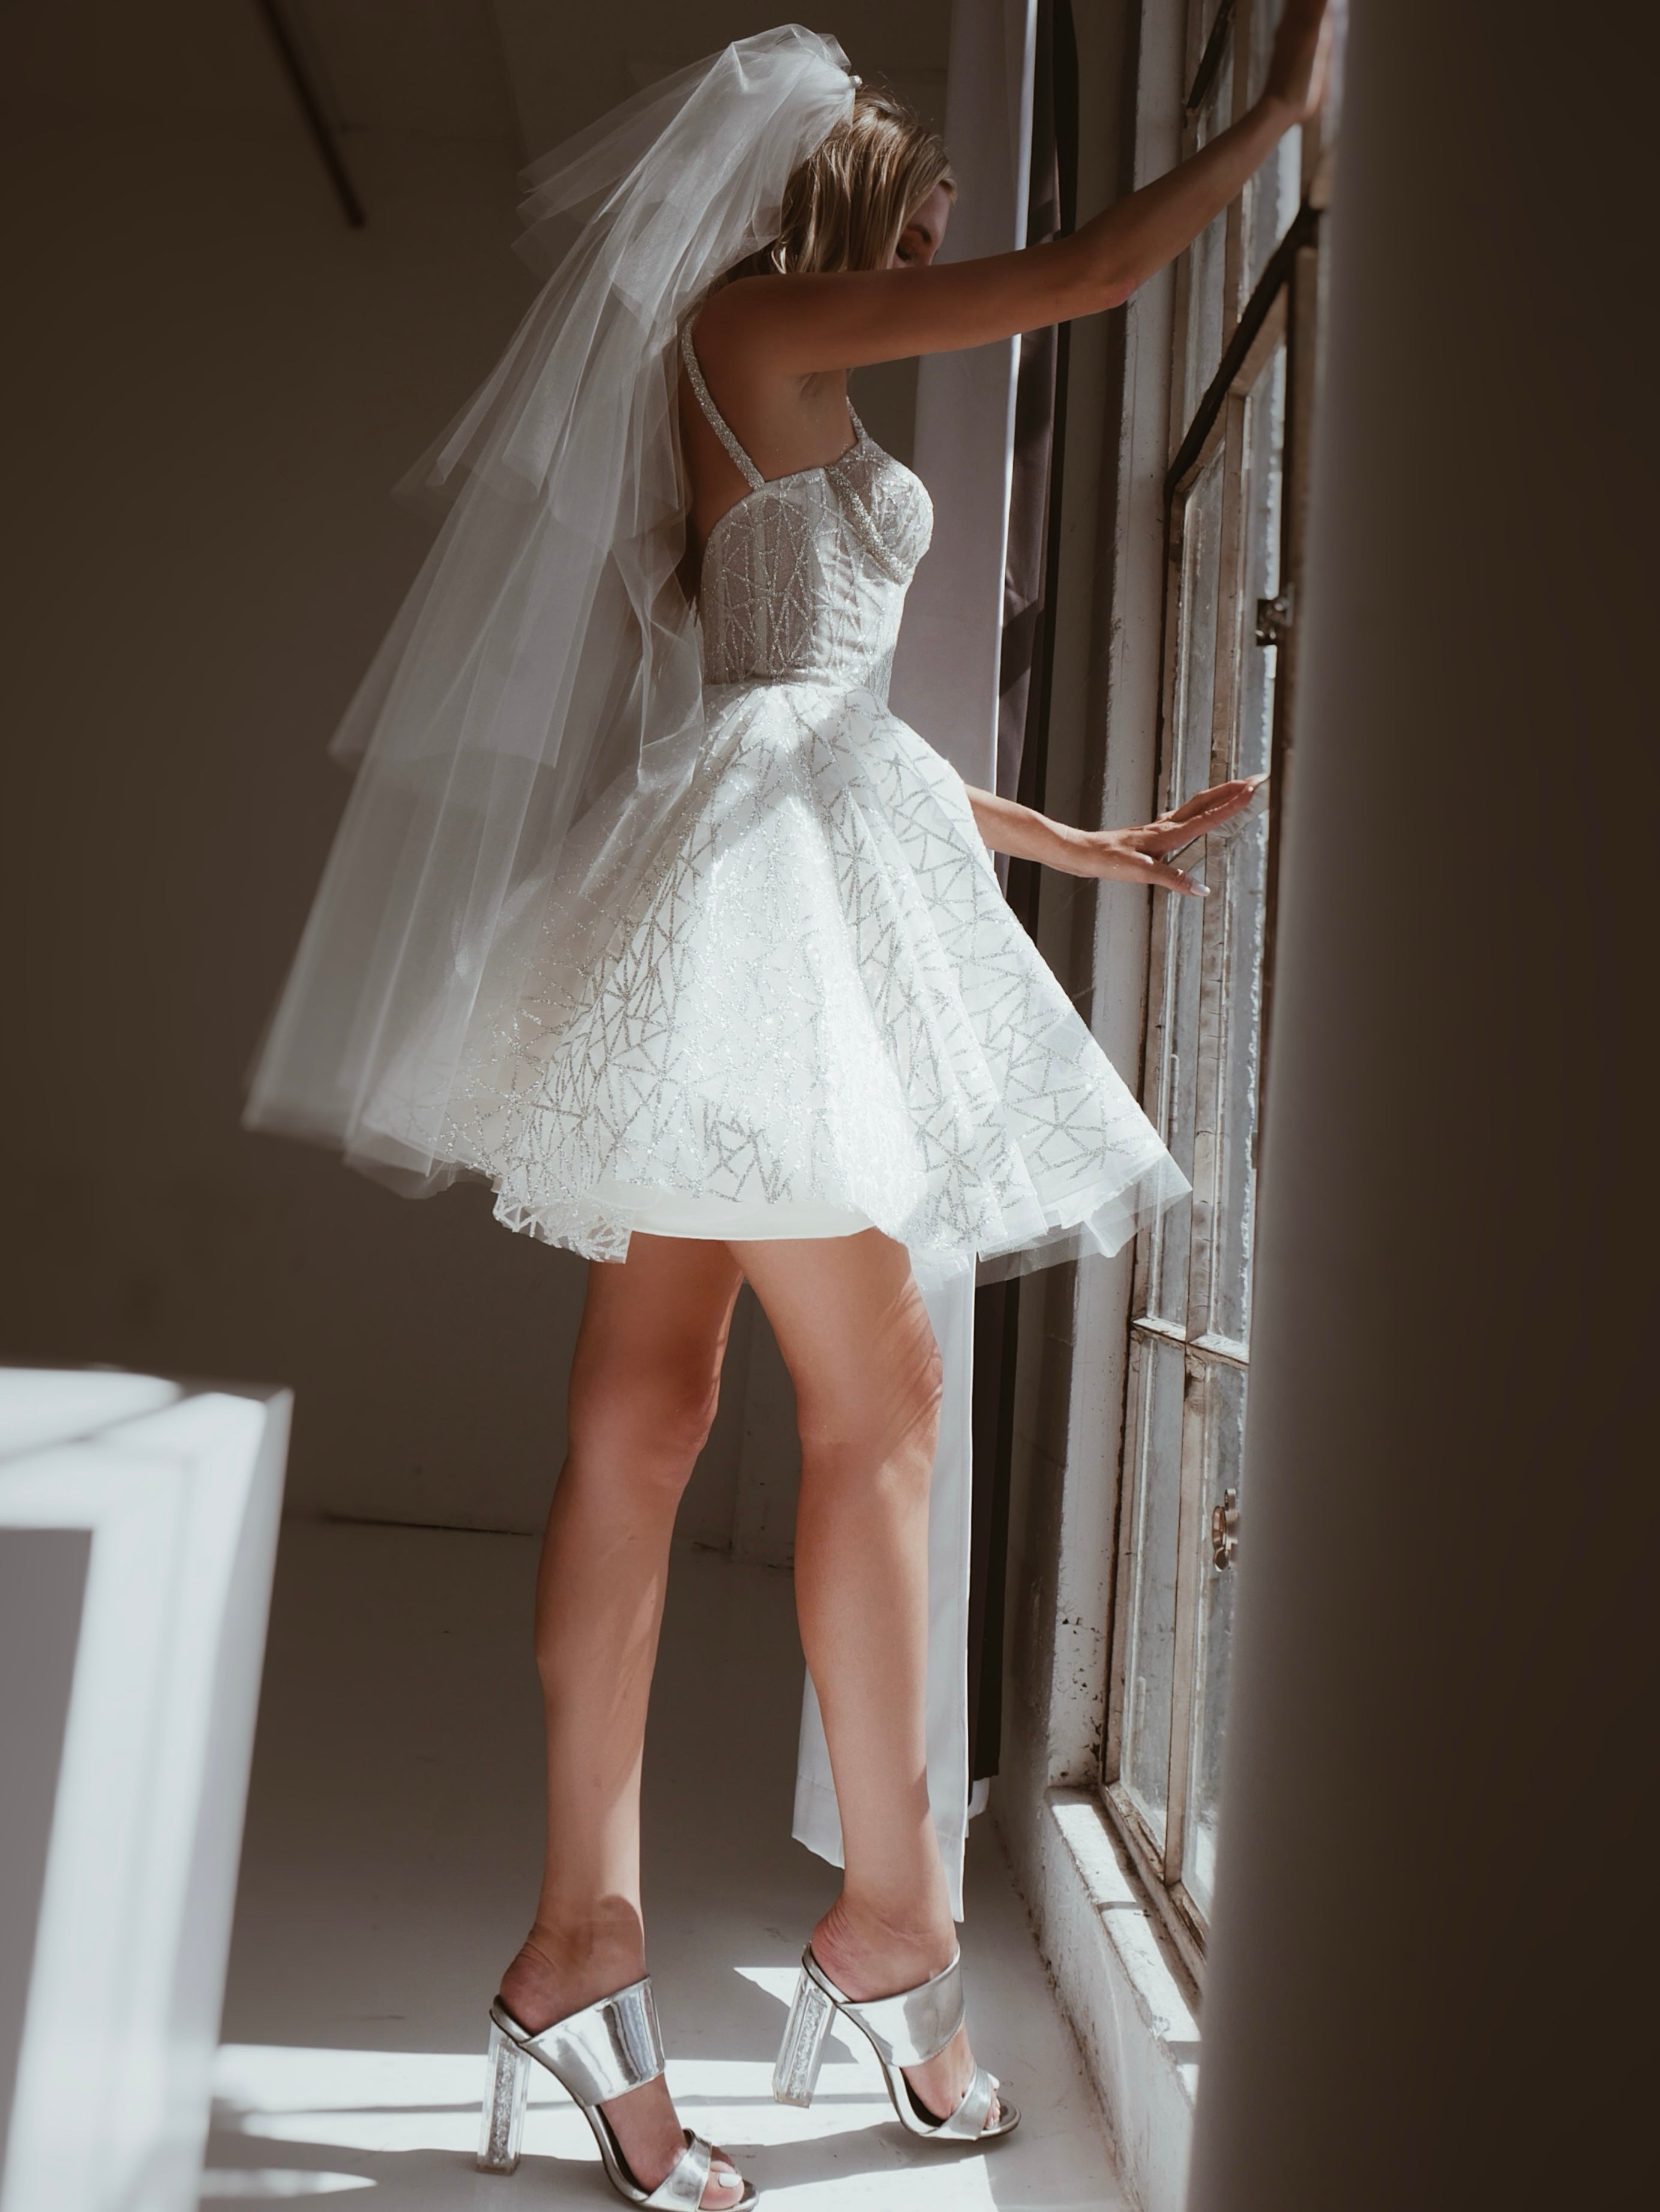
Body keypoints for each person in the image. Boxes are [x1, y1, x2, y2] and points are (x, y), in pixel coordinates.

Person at [248, 13, 1330, 2205]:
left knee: (650, 1419)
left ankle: (584, 1953)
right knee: (877, 1394)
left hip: (779, 860)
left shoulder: (769, 367)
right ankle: (889, 1928)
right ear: (828, 196)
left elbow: (833, 714)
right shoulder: (759, 326)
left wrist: (1070, 841)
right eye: (917, 203)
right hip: (753, 900)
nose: (940, 235)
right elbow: (1093, 275)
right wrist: (1283, 118)